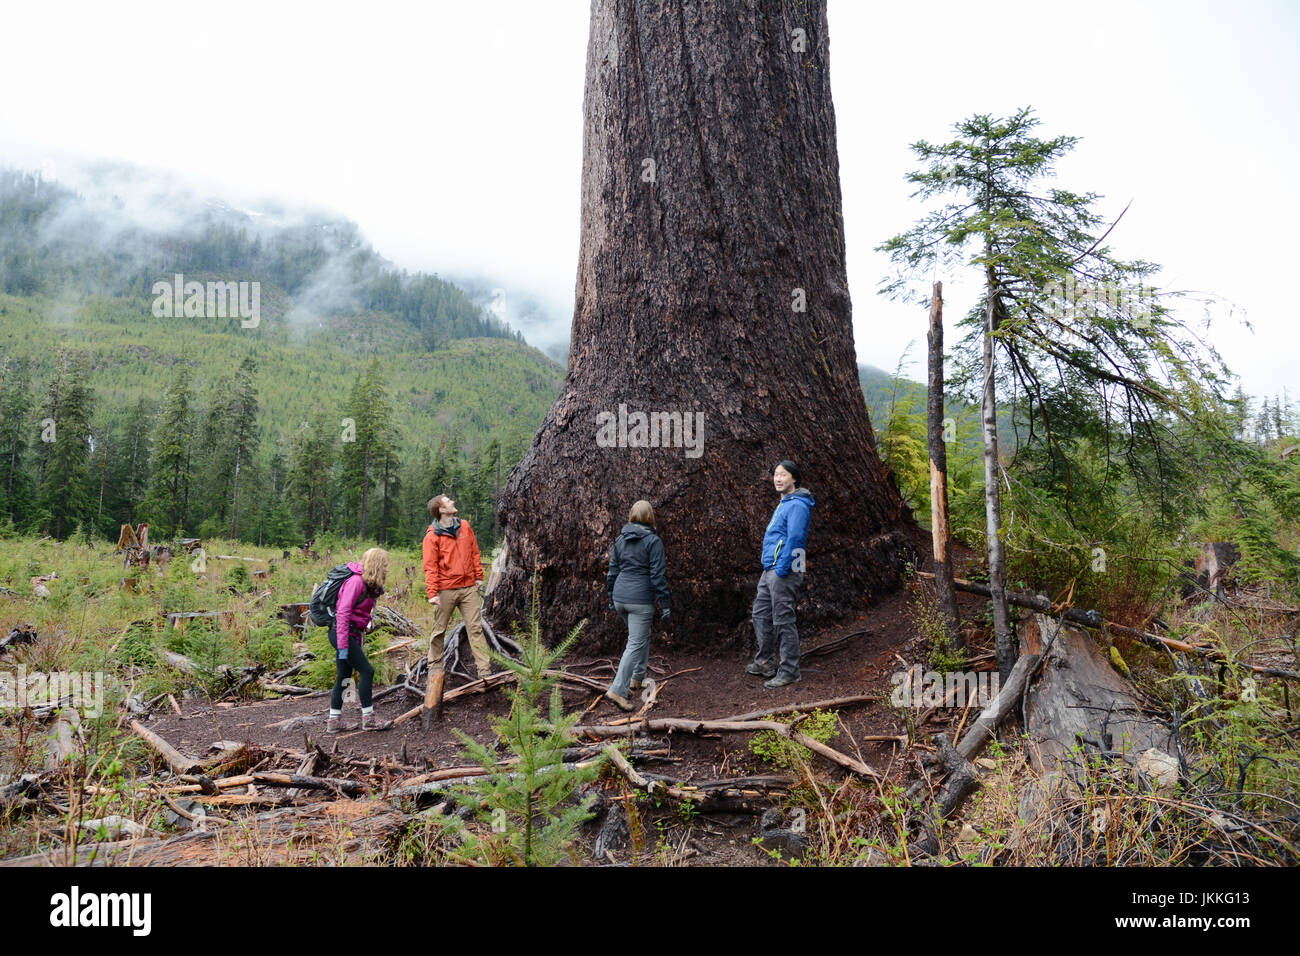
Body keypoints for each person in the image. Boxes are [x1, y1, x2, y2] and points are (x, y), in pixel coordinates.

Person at [748, 460, 814, 688]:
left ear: (794, 478)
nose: (778, 479)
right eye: (775, 474)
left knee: (783, 620)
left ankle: (789, 671)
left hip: (784, 569)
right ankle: (765, 661)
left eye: (783, 475)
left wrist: (784, 568)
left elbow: (796, 539)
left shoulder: (798, 505)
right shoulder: (785, 502)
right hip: (771, 568)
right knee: (760, 613)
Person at [605, 500, 670, 711]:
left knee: (641, 637)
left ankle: (637, 677)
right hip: (640, 599)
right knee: (635, 643)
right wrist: (665, 602)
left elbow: (612, 571)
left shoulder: (620, 540)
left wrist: (610, 596)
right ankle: (617, 690)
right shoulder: (653, 541)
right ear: (651, 517)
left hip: (620, 597)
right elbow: (658, 576)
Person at [423, 494, 490, 679]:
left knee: (475, 629)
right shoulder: (432, 536)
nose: (452, 501)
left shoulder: (465, 526)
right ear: (441, 510)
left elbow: (475, 552)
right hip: (445, 590)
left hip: (468, 588)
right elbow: (430, 566)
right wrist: (432, 593)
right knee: (439, 631)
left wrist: (478, 576)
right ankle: (435, 671)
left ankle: (484, 672)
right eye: (447, 501)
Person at [327, 547, 391, 733]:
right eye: (385, 565)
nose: (387, 569)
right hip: (342, 633)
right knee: (367, 671)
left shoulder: (369, 585)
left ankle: (334, 721)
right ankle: (369, 718)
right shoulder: (356, 582)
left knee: (344, 676)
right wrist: (343, 645)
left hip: (350, 634)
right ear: (377, 565)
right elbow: (343, 613)